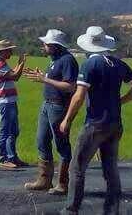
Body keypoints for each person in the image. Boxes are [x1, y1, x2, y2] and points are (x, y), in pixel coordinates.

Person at [59, 26, 132, 214]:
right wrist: (121, 101)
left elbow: (79, 96)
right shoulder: (118, 64)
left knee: (77, 167)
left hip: (95, 123)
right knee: (110, 169)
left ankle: (71, 209)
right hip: (115, 123)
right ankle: (112, 209)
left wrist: (67, 119)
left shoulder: (89, 65)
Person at [23, 29, 79, 194]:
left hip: (59, 107)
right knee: (41, 141)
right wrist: (43, 77)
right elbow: (54, 81)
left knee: (61, 144)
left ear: (55, 46)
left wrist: (44, 79)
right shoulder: (55, 60)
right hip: (47, 105)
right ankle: (44, 180)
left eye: (46, 44)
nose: (44, 46)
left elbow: (70, 86)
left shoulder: (67, 60)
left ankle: (63, 183)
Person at [0, 39, 27, 169]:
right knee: (5, 131)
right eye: (9, 50)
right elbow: (15, 76)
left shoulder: (2, 63)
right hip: (5, 102)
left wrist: (19, 64)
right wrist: (22, 63)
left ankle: (12, 157)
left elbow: (12, 73)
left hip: (10, 101)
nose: (11, 52)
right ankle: (3, 158)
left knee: (13, 131)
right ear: (3, 51)